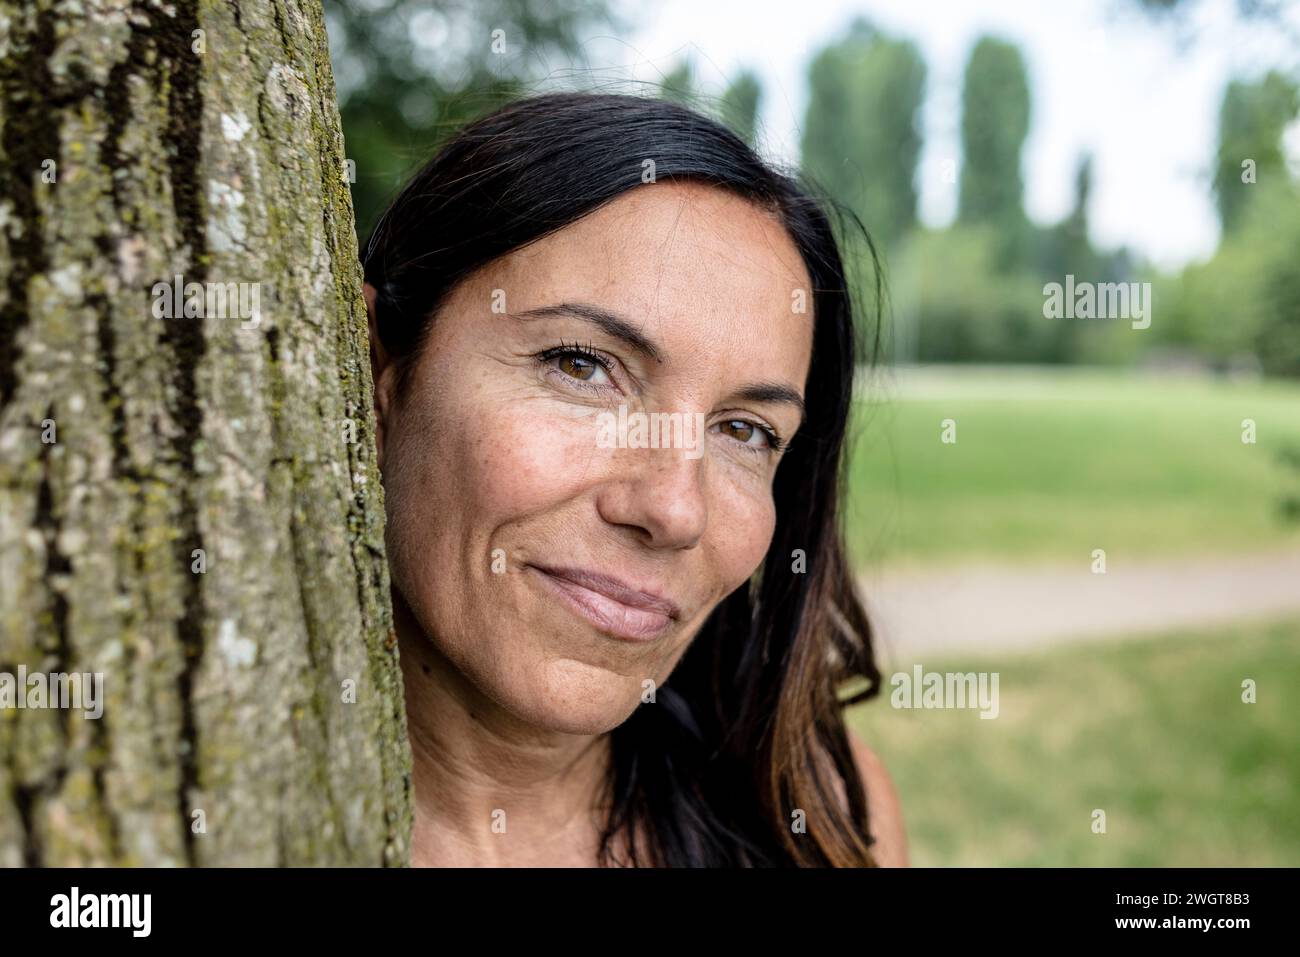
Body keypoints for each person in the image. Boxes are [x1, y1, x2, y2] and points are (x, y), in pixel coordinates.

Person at [361, 92, 906, 867]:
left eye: (744, 429)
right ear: (377, 367)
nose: (675, 508)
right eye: (582, 366)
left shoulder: (818, 813)